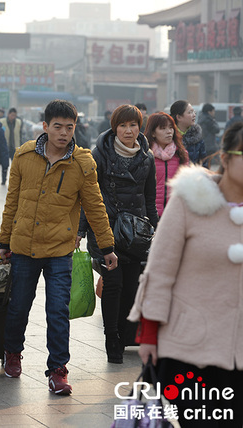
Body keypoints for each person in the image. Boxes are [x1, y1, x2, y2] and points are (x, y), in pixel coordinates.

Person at [0, 99, 117, 394]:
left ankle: (58, 370)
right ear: (45, 127)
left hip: (60, 249)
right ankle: (12, 353)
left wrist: (107, 246)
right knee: (19, 307)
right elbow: (12, 202)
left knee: (58, 310)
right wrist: (3, 241)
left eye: (69, 127)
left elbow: (95, 206)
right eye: (58, 126)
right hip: (24, 246)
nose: (64, 133)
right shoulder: (24, 156)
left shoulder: (82, 163)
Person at [129, 123, 243, 427]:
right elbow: (159, 271)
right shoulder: (191, 200)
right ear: (226, 158)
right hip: (190, 348)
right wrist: (149, 336)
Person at [77, 104, 158, 364]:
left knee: (131, 288)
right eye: (122, 125)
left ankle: (123, 336)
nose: (128, 130)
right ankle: (111, 337)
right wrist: (80, 230)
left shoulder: (147, 157)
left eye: (133, 125)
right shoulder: (99, 155)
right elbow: (87, 197)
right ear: (114, 127)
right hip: (106, 231)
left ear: (139, 127)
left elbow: (149, 198)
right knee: (113, 285)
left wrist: (156, 233)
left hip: (135, 236)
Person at [144, 112, 189, 216]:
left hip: (175, 213)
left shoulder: (181, 154)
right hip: (150, 214)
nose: (169, 132)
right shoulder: (145, 155)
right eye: (163, 128)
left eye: (171, 127)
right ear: (153, 133)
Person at [170, 100, 206, 165]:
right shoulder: (169, 136)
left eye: (194, 112)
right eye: (190, 112)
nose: (194, 115)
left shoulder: (197, 136)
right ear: (179, 117)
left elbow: (203, 162)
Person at [3, 107, 23, 185]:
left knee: (15, 165)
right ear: (8, 115)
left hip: (15, 147)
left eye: (14, 115)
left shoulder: (18, 122)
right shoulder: (2, 122)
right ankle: (3, 179)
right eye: (12, 115)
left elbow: (20, 134)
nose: (13, 117)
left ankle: (14, 180)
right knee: (5, 165)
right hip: (5, 147)